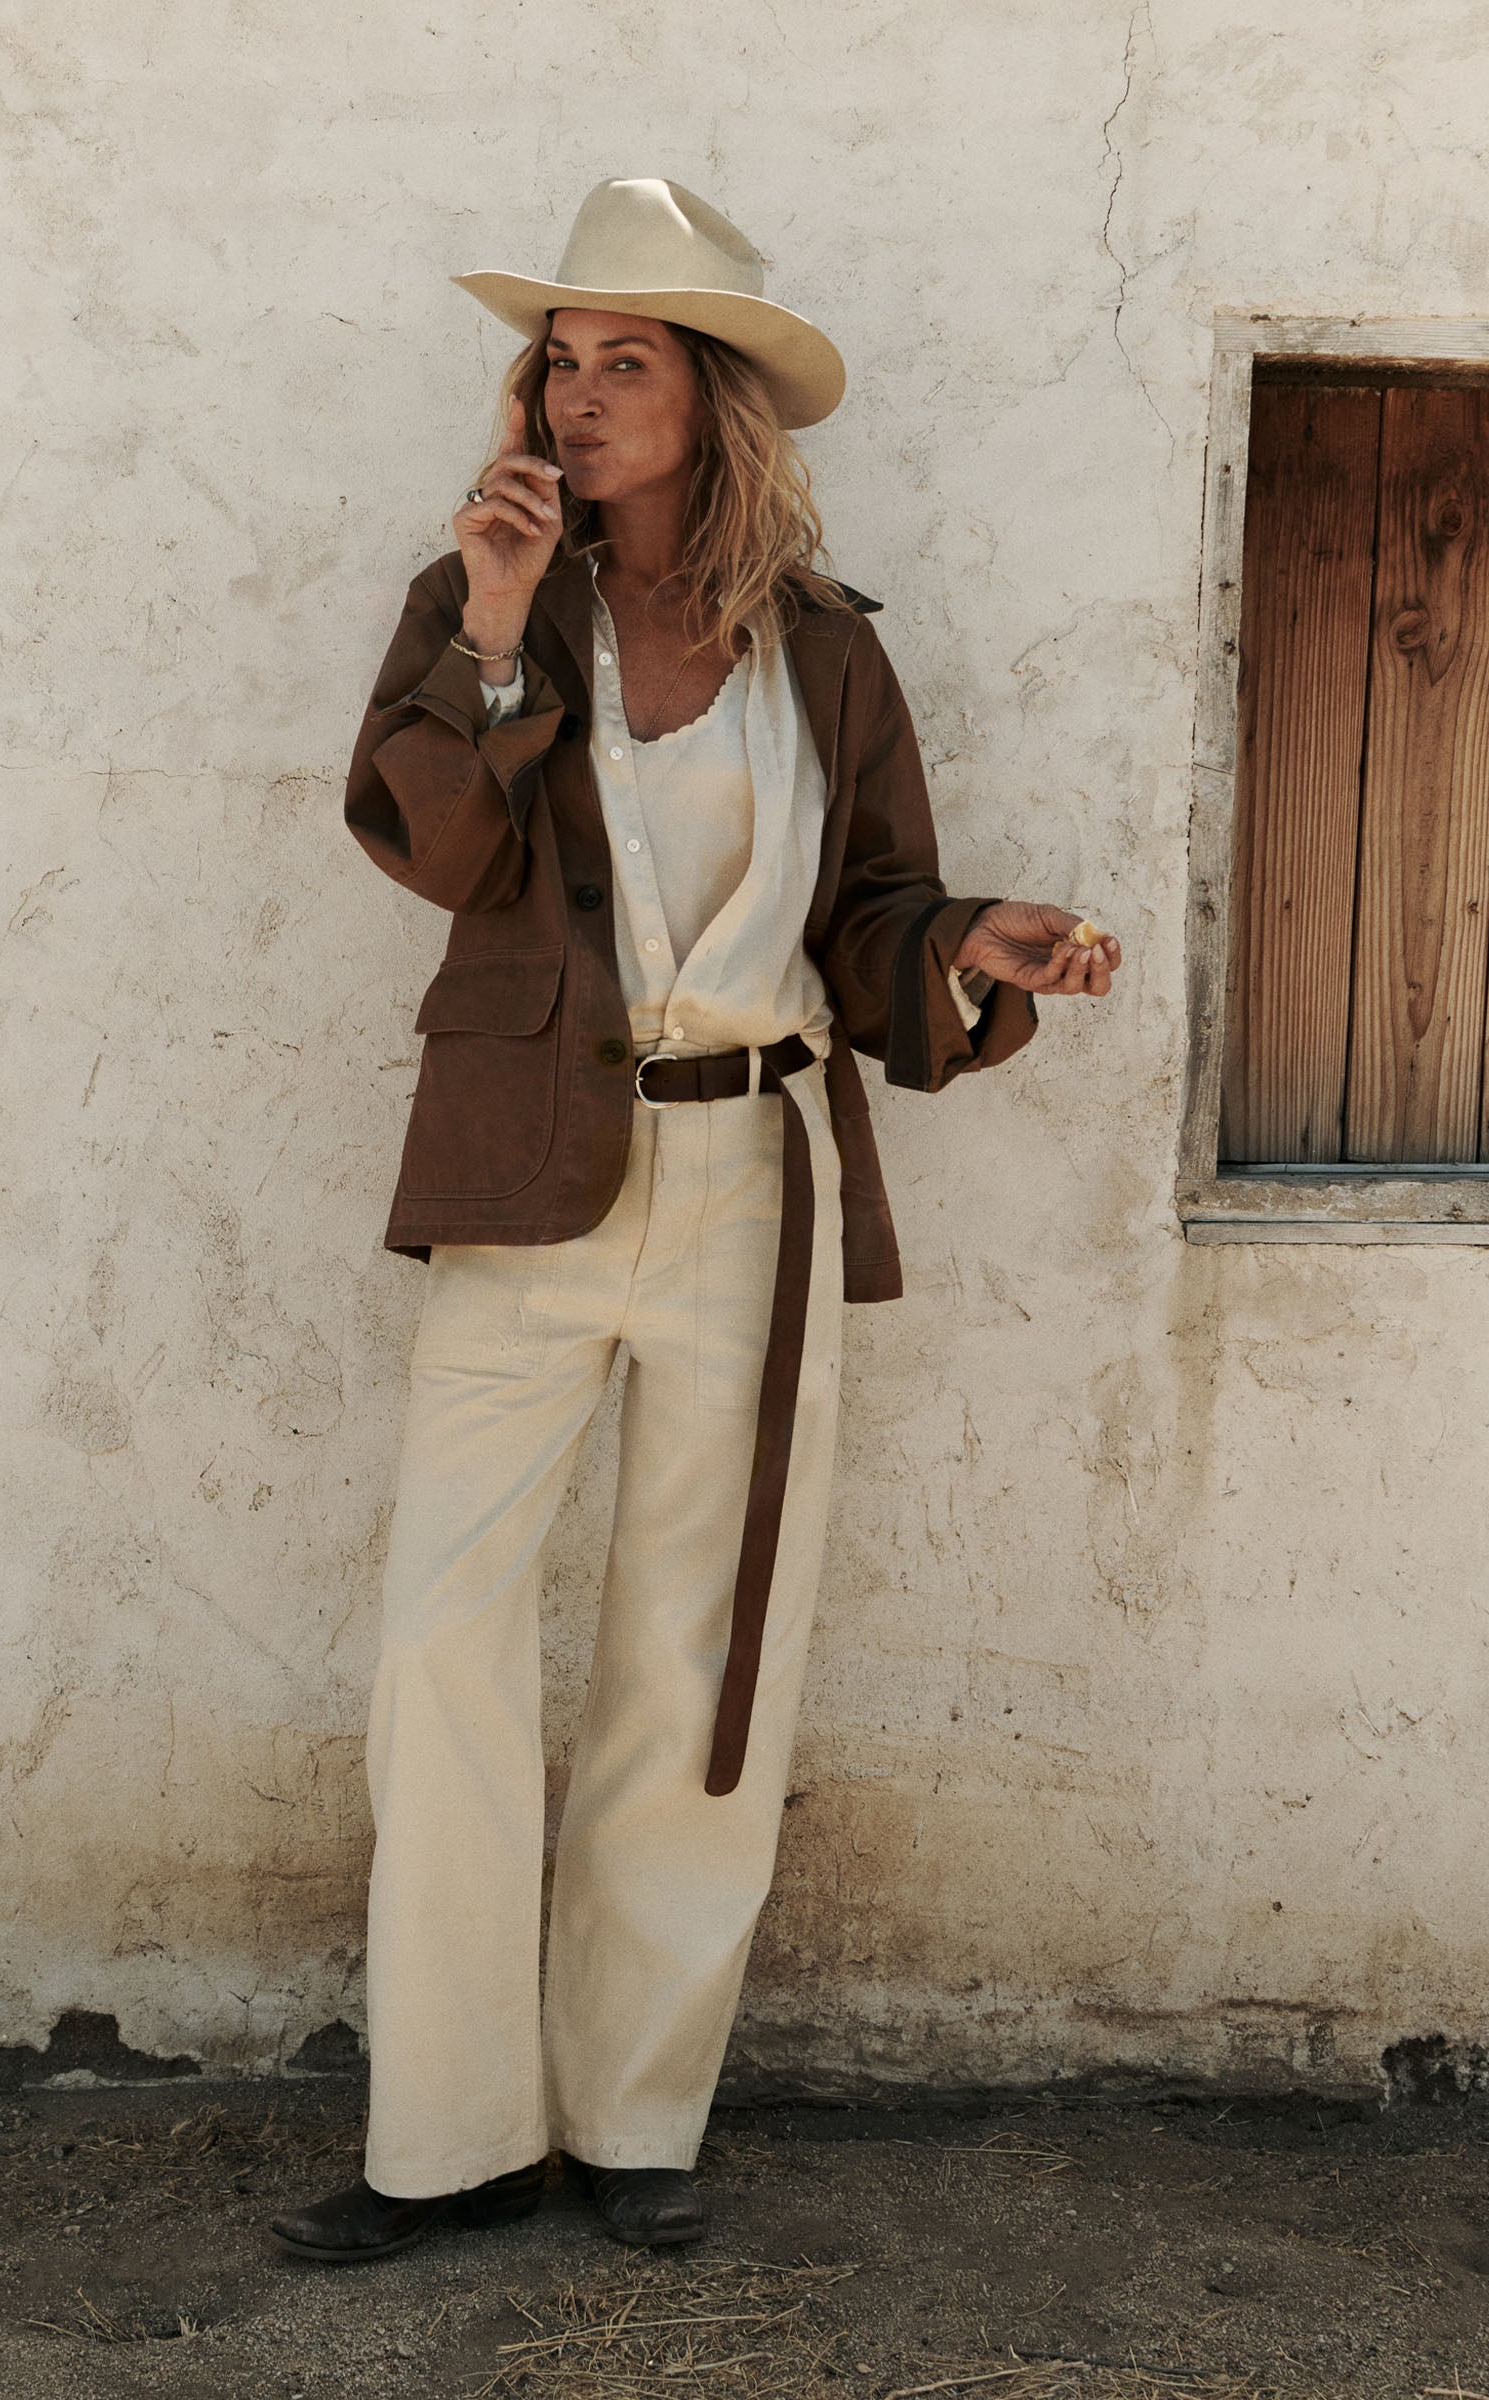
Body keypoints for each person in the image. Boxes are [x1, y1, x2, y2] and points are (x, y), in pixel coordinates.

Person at [271, 177, 1122, 2267]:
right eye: (559, 360)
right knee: (444, 1637)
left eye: (624, 360)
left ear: (713, 398)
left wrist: (972, 943)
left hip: (757, 1177)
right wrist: (491, 626)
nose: (578, 394)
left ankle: (633, 2115)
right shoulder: (479, 599)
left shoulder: (825, 651)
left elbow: (872, 913)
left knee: (705, 1648)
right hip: (530, 1173)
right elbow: (433, 849)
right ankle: (451, 2140)